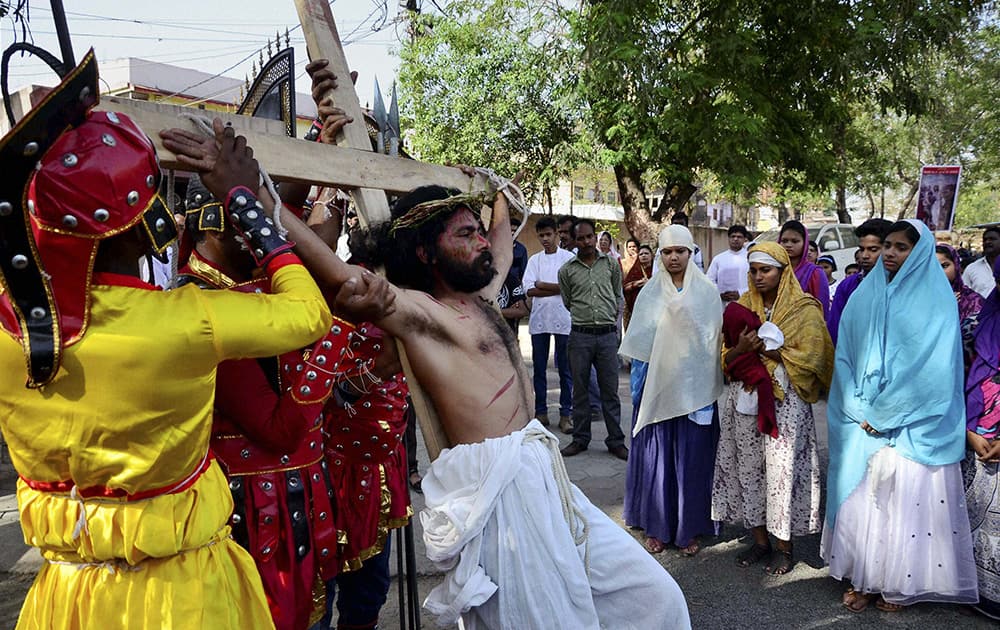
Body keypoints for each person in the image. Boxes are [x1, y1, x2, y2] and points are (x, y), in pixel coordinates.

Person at [164, 79, 691, 629]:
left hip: (545, 476)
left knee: (655, 600)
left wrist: (489, 191)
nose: (481, 242)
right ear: (425, 251)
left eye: (477, 233)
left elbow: (503, 235)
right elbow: (338, 271)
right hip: (500, 498)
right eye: (465, 234)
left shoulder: (482, 297)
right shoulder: (422, 315)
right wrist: (257, 196)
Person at [0, 55, 376, 629]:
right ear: (138, 220)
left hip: (68, 595)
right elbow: (306, 314)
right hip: (179, 592)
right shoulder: (188, 317)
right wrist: (245, 198)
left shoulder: (12, 330)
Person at [176, 177, 363, 630]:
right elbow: (278, 430)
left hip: (300, 499)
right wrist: (338, 329)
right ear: (214, 230)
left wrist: (319, 156)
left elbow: (291, 207)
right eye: (252, 227)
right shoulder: (200, 304)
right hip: (256, 512)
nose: (268, 241)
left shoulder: (253, 285)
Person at [823, 220, 977, 613]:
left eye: (901, 247)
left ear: (920, 251)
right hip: (864, 416)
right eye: (887, 246)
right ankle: (866, 578)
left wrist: (887, 413)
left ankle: (894, 585)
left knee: (902, 502)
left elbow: (932, 367)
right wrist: (859, 408)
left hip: (912, 422)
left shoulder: (935, 298)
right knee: (870, 500)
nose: (890, 254)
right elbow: (847, 353)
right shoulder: (866, 293)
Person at [712, 242, 833, 576]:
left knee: (782, 472)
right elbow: (723, 359)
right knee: (749, 470)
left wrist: (775, 353)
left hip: (786, 403)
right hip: (744, 401)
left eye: (766, 270)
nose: (758, 276)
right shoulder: (740, 307)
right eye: (753, 270)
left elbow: (817, 358)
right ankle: (760, 541)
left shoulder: (804, 309)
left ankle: (784, 546)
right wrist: (741, 349)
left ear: (783, 271)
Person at [620, 225, 723, 556]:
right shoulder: (651, 293)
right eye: (667, 252)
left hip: (695, 389)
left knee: (691, 459)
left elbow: (712, 342)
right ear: (660, 255)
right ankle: (658, 525)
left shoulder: (707, 291)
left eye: (680, 251)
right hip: (657, 388)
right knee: (659, 459)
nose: (674, 257)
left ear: (691, 253)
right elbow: (641, 345)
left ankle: (688, 525)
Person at [558, 218, 629, 460]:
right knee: (580, 391)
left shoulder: (610, 264)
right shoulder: (566, 270)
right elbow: (568, 301)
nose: (586, 242)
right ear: (574, 240)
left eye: (590, 236)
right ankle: (580, 439)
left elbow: (617, 294)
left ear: (595, 236)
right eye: (581, 238)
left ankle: (616, 441)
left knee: (610, 391)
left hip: (607, 337)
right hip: (580, 337)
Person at [964, 257, 1000, 620]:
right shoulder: (985, 320)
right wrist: (970, 429)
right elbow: (968, 373)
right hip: (979, 430)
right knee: (980, 517)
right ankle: (981, 593)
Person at [522, 216, 575, 430]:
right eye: (541, 235)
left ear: (556, 234)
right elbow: (529, 289)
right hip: (540, 320)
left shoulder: (569, 258)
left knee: (565, 370)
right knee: (540, 368)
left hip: (564, 318)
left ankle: (565, 414)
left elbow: (570, 288)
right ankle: (541, 412)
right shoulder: (534, 260)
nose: (545, 239)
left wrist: (542, 284)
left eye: (548, 234)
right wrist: (555, 288)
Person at [827, 218, 893, 344]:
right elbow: (835, 328)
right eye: (862, 249)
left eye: (873, 250)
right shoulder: (848, 285)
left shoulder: (900, 285)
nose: (864, 256)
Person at [937, 243, 984, 371]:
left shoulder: (972, 300)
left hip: (966, 371)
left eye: (944, 266)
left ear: (956, 266)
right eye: (933, 267)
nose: (939, 272)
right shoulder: (919, 299)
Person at [778, 220, 829, 318]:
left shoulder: (815, 273)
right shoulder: (774, 269)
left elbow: (822, 308)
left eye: (795, 241)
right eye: (784, 241)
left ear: (804, 243)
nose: (788, 245)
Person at [706, 224, 750, 303]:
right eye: (733, 236)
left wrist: (741, 293)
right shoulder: (718, 259)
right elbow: (709, 281)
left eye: (739, 237)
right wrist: (719, 293)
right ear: (728, 238)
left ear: (744, 239)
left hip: (745, 302)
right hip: (722, 303)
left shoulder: (750, 258)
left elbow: (755, 282)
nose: (735, 239)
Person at [623, 244, 654, 330]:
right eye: (641, 254)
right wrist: (636, 284)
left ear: (651, 255)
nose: (643, 255)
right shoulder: (635, 271)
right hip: (638, 310)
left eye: (646, 253)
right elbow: (625, 288)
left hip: (654, 309)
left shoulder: (657, 270)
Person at [964, 226, 1000, 297]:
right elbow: (964, 294)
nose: (987, 242)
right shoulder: (972, 268)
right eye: (985, 240)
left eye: (992, 239)